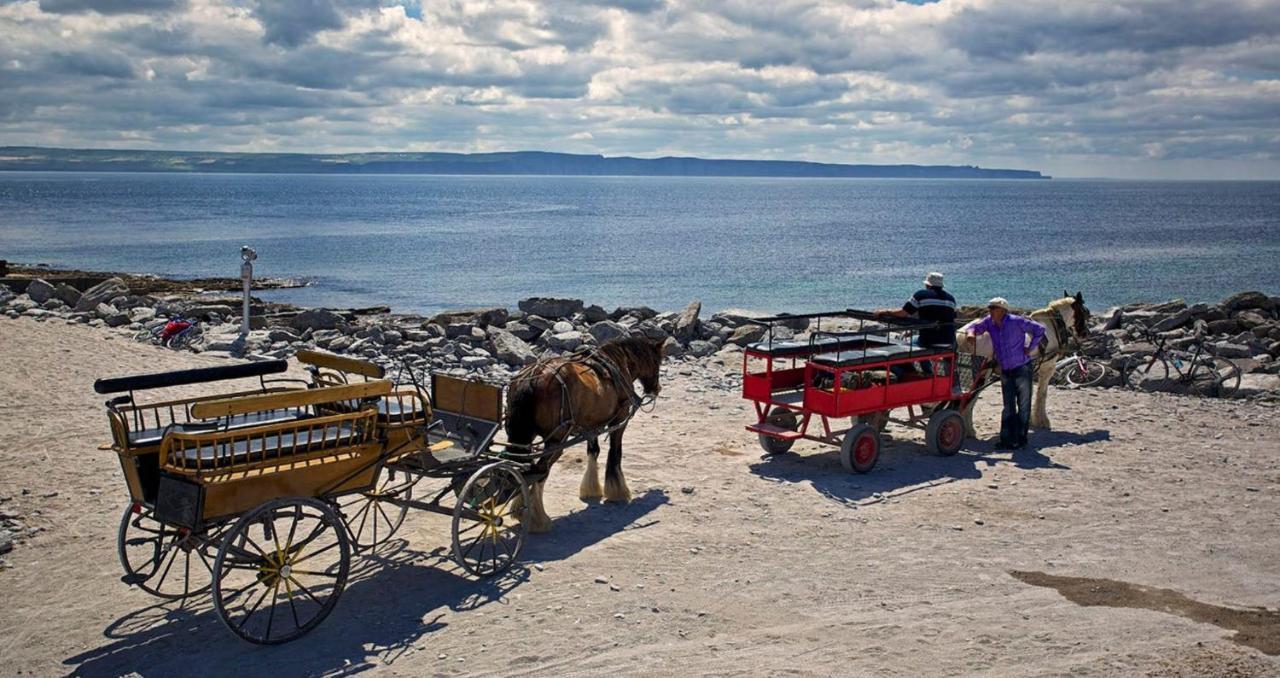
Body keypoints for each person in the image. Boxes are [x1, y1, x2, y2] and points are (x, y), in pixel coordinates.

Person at [965, 297, 1046, 450]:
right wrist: (970, 333)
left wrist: (1030, 346)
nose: (990, 310)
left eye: (993, 308)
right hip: (1006, 369)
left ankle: (1021, 440)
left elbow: (1040, 330)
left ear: (1002, 310)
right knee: (1008, 406)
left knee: (1023, 405)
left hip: (1022, 367)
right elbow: (975, 328)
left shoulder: (1016, 321)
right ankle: (1006, 440)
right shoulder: (989, 322)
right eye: (989, 308)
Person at [875, 271, 957, 376]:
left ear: (927, 284)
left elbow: (903, 313)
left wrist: (885, 312)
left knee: (904, 344)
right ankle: (945, 379)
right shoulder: (951, 299)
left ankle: (919, 373)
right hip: (949, 340)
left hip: (929, 340)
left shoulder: (921, 295)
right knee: (917, 340)